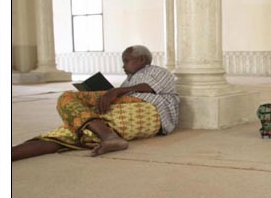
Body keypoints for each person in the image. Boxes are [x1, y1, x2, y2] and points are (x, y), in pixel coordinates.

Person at [12, 45, 179, 161]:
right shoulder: (128, 80)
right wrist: (109, 93)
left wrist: (114, 91)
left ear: (141, 59)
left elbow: (148, 87)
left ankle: (109, 137)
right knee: (72, 133)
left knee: (67, 97)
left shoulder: (157, 71)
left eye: (126, 61)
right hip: (132, 121)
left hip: (148, 108)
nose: (123, 66)